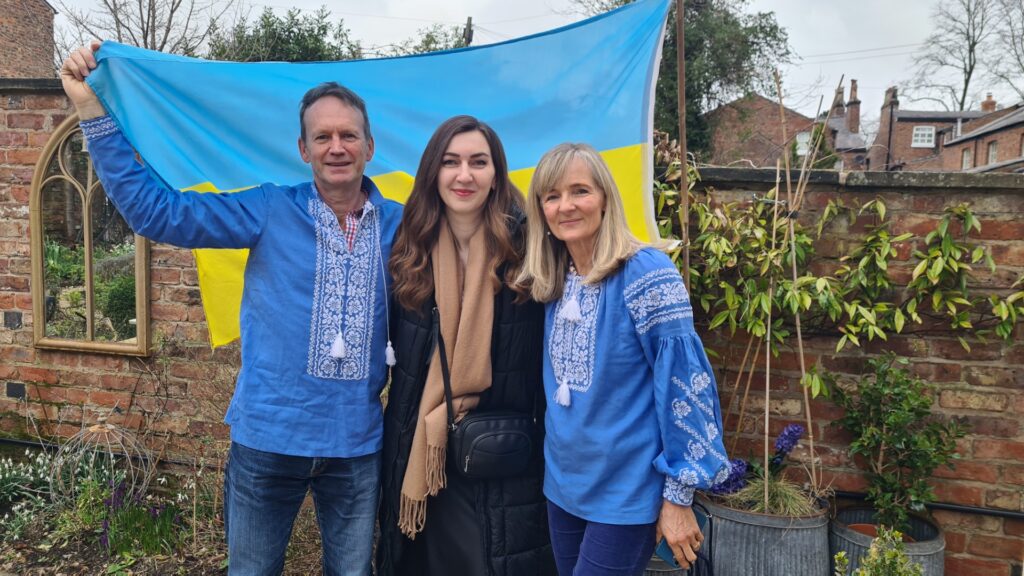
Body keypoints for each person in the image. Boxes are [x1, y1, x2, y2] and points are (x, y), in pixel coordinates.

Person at [60, 42, 402, 576]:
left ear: (369, 146)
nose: (337, 146)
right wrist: (89, 109)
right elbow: (158, 212)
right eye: (323, 137)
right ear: (303, 149)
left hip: (356, 447)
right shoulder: (268, 209)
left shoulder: (403, 226)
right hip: (267, 440)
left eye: (348, 135)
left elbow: (474, 233)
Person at [516, 143, 730, 575]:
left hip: (626, 494)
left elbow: (685, 386)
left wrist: (678, 498)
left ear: (606, 198)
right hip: (563, 486)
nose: (566, 206)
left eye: (580, 191)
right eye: (552, 196)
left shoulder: (647, 273)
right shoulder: (554, 277)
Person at [377, 116, 556, 576]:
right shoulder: (407, 248)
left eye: (479, 162)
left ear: (496, 174)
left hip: (499, 458)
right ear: (433, 172)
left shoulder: (530, 247)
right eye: (451, 162)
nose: (464, 175)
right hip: (421, 447)